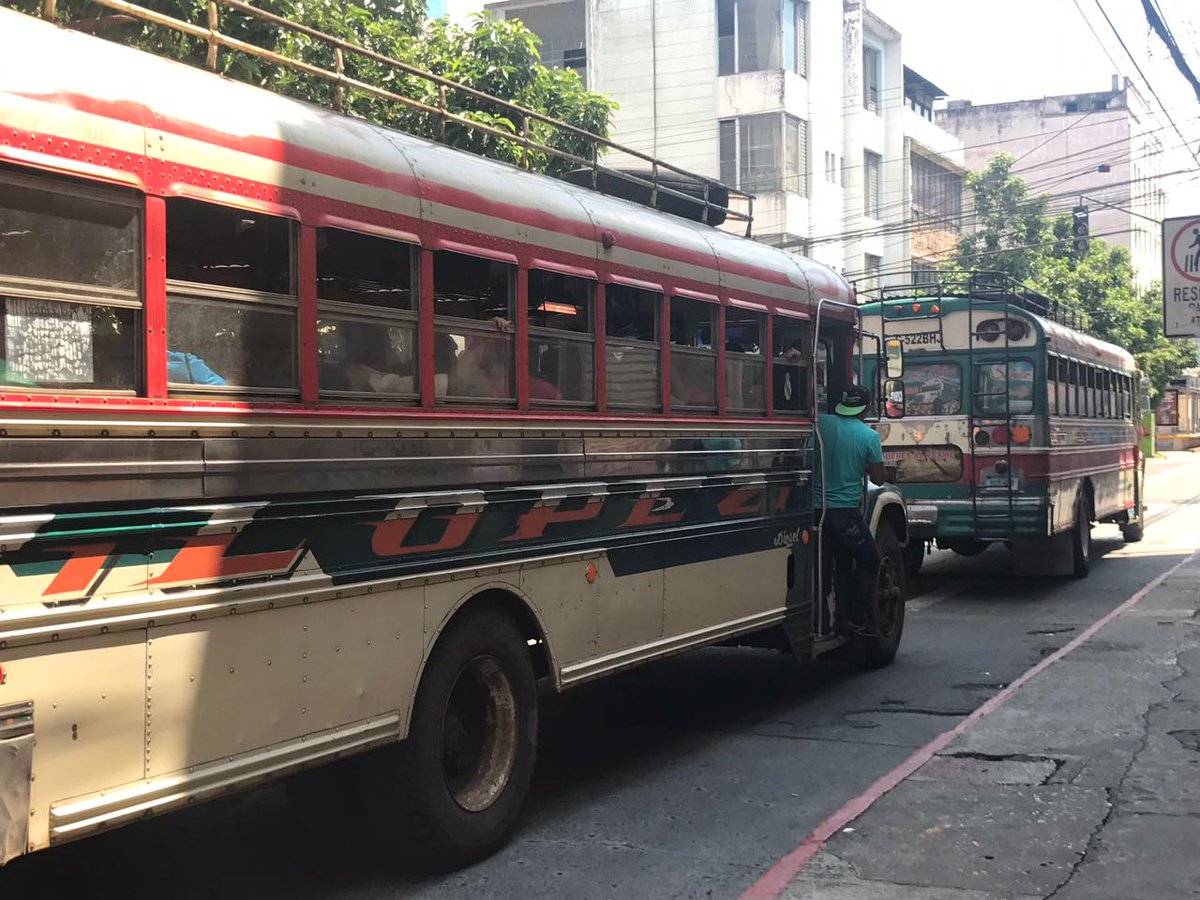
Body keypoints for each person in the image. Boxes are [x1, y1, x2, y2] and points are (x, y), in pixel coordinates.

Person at [813, 384, 886, 634]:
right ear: (866, 409)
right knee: (869, 560)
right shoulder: (869, 436)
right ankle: (855, 617)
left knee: (821, 568)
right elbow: (878, 478)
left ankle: (820, 619)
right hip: (845, 516)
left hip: (815, 512)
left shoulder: (821, 424)